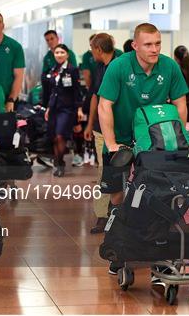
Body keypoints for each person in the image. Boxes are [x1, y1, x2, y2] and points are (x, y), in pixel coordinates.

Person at [97, 23, 189, 274]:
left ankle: (159, 247)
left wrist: (177, 137)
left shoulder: (169, 67)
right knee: (117, 196)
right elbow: (105, 105)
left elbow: (180, 103)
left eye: (158, 43)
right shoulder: (119, 66)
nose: (154, 49)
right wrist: (112, 143)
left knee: (157, 194)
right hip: (122, 138)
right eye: (148, 44)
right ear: (135, 45)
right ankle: (118, 247)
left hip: (154, 142)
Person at [83, 33, 117, 234]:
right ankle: (102, 215)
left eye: (91, 48)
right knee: (103, 170)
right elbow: (96, 96)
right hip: (100, 128)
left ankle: (116, 212)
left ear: (98, 49)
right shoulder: (99, 68)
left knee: (118, 171)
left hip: (117, 128)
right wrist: (89, 124)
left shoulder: (119, 65)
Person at [41, 44, 83, 177]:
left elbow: (77, 90)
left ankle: (60, 162)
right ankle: (59, 163)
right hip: (53, 108)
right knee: (53, 136)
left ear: (67, 54)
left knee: (60, 135)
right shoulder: (52, 69)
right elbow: (51, 91)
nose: (59, 54)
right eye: (57, 52)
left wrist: (79, 109)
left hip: (67, 108)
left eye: (62, 52)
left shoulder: (72, 69)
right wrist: (48, 108)